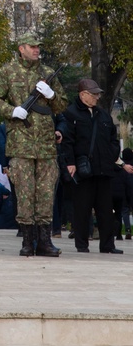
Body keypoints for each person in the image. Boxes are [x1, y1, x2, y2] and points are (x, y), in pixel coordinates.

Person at [0, 31, 67, 258]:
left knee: (45, 194)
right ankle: (27, 240)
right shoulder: (7, 72)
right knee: (24, 193)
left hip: (45, 146)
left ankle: (45, 240)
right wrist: (12, 110)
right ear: (21, 48)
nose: (36, 50)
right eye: (31, 46)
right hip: (20, 144)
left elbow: (62, 107)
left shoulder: (48, 73)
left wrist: (52, 96)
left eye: (38, 47)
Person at [58, 77, 122, 254]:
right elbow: (67, 142)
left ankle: (108, 245)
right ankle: (82, 244)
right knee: (82, 209)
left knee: (105, 211)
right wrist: (70, 163)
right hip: (83, 170)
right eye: (93, 94)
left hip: (104, 169)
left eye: (98, 94)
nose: (97, 97)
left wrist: (111, 155)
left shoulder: (103, 115)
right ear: (83, 95)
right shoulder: (70, 114)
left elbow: (112, 139)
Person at [113, 148, 133, 243]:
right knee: (122, 212)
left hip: (112, 193)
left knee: (113, 213)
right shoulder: (125, 169)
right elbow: (128, 184)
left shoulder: (113, 168)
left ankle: (114, 231)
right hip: (123, 194)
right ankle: (125, 231)